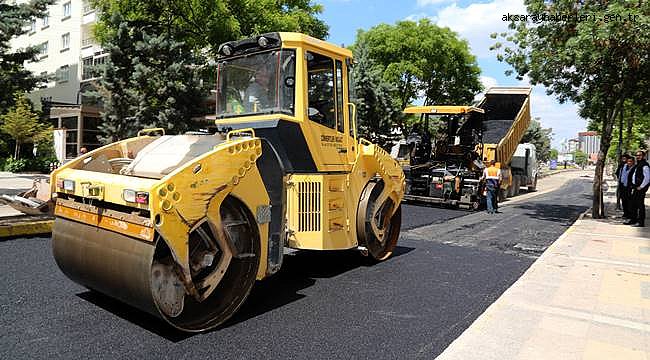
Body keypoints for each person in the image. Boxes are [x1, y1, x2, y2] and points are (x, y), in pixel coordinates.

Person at [625, 150, 650, 227]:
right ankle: (633, 220)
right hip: (635, 188)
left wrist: (641, 187)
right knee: (633, 204)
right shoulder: (637, 165)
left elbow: (647, 178)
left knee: (640, 205)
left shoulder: (645, 165)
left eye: (639, 155)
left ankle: (640, 222)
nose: (638, 157)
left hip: (640, 189)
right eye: (637, 155)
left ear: (644, 156)